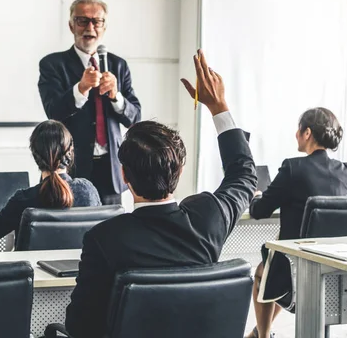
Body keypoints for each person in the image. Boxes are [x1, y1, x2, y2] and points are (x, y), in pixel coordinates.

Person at [63, 49, 257, 338]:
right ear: (179, 173)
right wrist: (219, 106)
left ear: (124, 176)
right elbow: (244, 174)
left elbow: (80, 328)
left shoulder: (104, 238)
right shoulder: (209, 217)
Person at [246, 107, 347, 338]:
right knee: (276, 270)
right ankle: (259, 331)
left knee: (262, 274)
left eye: (298, 130)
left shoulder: (293, 168)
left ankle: (263, 335)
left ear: (307, 133)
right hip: (336, 269)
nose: (296, 135)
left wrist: (256, 197)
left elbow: (260, 210)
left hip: (297, 268)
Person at [38, 0, 141, 206]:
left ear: (104, 26)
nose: (90, 27)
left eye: (97, 21)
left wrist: (116, 96)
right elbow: (53, 113)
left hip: (111, 168)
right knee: (74, 231)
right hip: (71, 168)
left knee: (110, 231)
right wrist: (81, 88)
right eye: (82, 20)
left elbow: (135, 117)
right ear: (71, 25)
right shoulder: (53, 64)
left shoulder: (118, 65)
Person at [0, 120, 101, 244]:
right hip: (79, 271)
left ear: (35, 155)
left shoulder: (24, 199)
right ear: (70, 152)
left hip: (34, 272)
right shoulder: (87, 190)